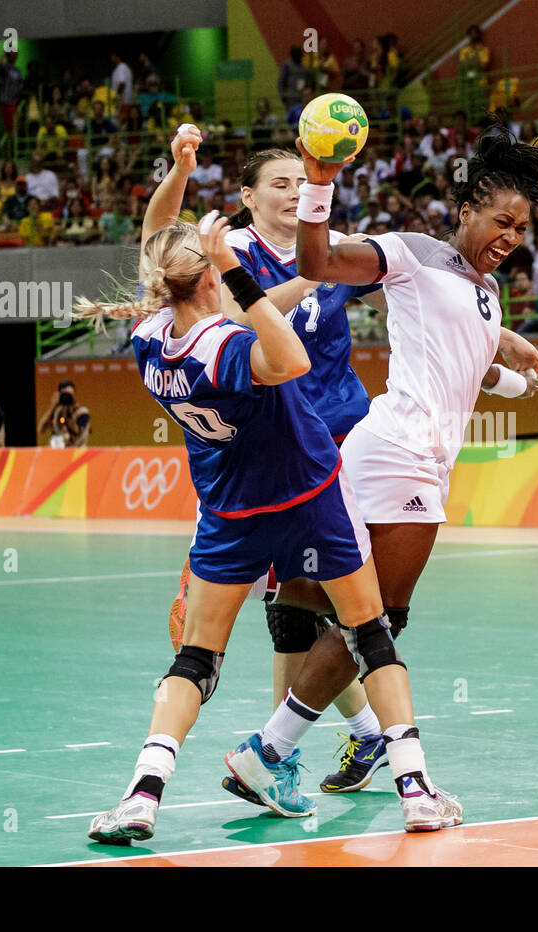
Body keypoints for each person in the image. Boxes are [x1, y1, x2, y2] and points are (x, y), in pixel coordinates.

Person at [79, 131, 459, 840]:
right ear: (213, 277)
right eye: (276, 182)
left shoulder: (149, 336)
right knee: (370, 630)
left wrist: (182, 172)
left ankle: (143, 793)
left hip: (230, 505)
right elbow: (279, 355)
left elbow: (156, 237)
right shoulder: (229, 339)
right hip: (308, 485)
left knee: (202, 654)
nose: (290, 193)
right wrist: (250, 276)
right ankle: (411, 785)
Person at [221, 123, 538, 817]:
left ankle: (267, 752)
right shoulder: (411, 253)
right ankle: (389, 775)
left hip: (388, 456)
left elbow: (461, 360)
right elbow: (315, 255)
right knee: (380, 619)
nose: (510, 236)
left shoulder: (483, 291)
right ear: (465, 210)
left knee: (327, 611)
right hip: (400, 457)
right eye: (500, 220)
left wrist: (513, 362)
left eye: (522, 228)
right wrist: (319, 179)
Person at [162, 139, 395, 795]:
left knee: (303, 603)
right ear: (247, 197)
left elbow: (392, 298)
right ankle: (349, 736)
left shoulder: (332, 242)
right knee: (300, 605)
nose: (296, 191)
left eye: (304, 180)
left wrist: (491, 343)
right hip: (275, 445)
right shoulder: (228, 254)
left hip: (340, 438)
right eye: (280, 182)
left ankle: (283, 752)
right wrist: (315, 274)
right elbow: (238, 315)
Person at [37, 380, 90, 447]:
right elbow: (41, 429)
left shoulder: (81, 412)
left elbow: (83, 435)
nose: (66, 397)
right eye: (64, 394)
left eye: (69, 394)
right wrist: (52, 406)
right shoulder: (56, 411)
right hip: (58, 450)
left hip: (76, 449)